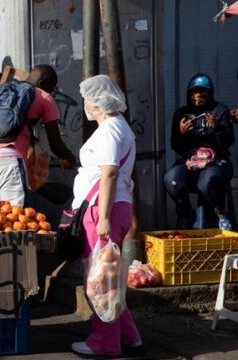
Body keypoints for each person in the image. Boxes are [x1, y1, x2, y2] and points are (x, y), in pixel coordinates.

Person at [70, 75, 140, 356]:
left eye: (87, 99)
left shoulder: (110, 129)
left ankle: (105, 343)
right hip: (113, 206)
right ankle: (128, 334)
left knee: (100, 281)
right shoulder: (121, 127)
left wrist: (103, 219)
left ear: (97, 102)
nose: (85, 104)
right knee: (108, 274)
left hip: (103, 209)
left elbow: (109, 172)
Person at [0, 65, 76, 207]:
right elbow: (55, 144)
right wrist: (69, 159)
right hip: (10, 161)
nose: (51, 93)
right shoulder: (44, 98)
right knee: (15, 218)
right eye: (51, 89)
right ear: (42, 83)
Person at [163, 74, 235, 230]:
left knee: (207, 181)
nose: (198, 96)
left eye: (203, 92)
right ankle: (185, 212)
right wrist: (181, 133)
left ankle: (221, 213)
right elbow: (176, 146)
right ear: (189, 93)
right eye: (194, 92)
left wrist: (217, 129)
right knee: (171, 179)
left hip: (216, 160)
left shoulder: (220, 110)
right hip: (190, 160)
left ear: (210, 93)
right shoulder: (181, 114)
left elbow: (228, 142)